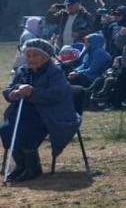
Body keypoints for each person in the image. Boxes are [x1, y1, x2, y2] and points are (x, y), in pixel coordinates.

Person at [2, 39, 80, 183]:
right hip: (25, 110)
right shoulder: (22, 70)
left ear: (46, 57)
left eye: (35, 55)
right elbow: (8, 89)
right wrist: (12, 93)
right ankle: (21, 165)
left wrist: (33, 92)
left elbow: (56, 94)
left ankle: (33, 168)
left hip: (50, 112)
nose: (31, 59)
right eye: (28, 55)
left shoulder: (55, 72)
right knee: (6, 128)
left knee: (27, 128)